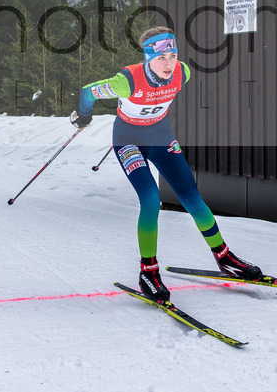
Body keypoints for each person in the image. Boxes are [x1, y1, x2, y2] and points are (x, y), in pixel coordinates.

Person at [69, 26, 262, 302]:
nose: (169, 64)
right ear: (148, 57)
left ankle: (225, 258)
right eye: (161, 58)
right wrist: (85, 117)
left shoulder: (184, 72)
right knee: (150, 200)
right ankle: (148, 271)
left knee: (192, 198)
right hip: (128, 140)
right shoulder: (127, 81)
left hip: (160, 135)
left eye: (172, 55)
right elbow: (88, 92)